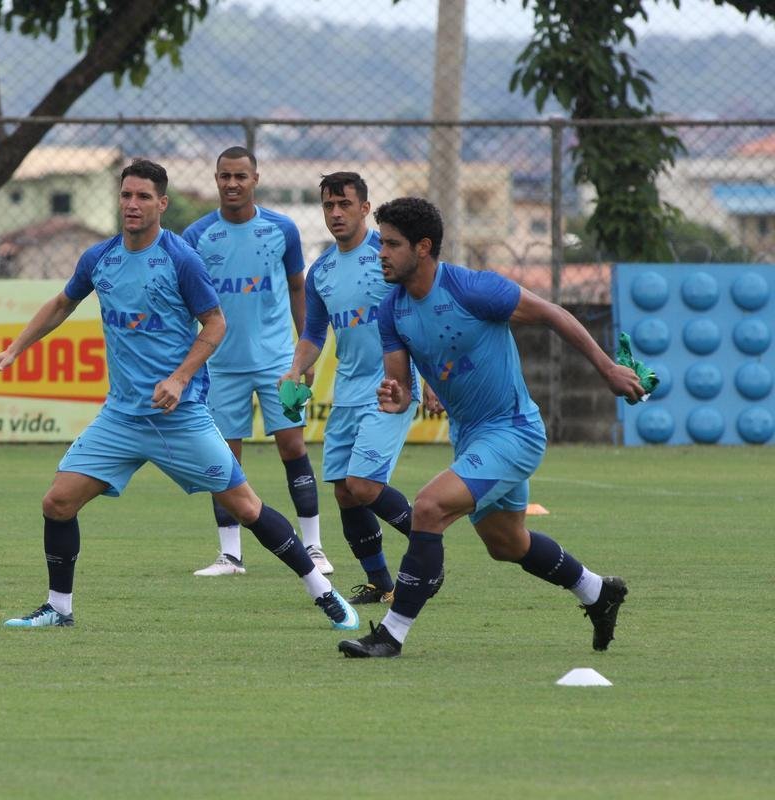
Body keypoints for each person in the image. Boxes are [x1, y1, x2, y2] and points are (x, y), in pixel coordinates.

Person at [0, 159, 359, 632]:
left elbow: (216, 323)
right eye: (126, 195)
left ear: (161, 203)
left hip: (180, 418)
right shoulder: (100, 258)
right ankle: (58, 607)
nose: (132, 204)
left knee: (246, 506)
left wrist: (179, 377)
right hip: (122, 418)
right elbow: (62, 303)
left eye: (143, 197)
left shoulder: (181, 258)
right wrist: (13, 350)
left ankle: (324, 593)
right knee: (57, 502)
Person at [338, 196, 642, 658]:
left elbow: (553, 314)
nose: (381, 253)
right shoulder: (391, 311)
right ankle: (598, 591)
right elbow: (399, 388)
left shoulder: (473, 289)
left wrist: (607, 370)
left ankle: (391, 635)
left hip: (513, 431)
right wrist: (397, 397)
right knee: (507, 544)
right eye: (381, 243)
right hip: (471, 438)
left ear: (423, 248)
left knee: (428, 507)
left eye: (392, 244)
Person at [181, 146, 327, 577]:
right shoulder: (197, 236)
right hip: (220, 365)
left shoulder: (282, 229)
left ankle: (315, 548)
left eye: (240, 176)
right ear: (216, 179)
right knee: (224, 457)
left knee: (294, 446)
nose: (232, 183)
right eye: (225, 176)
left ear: (255, 179)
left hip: (279, 362)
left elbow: (299, 289)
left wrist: (306, 349)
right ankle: (230, 555)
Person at [281, 172, 424, 608]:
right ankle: (380, 582)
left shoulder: (389, 256)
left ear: (365, 208)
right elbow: (314, 334)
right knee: (345, 490)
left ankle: (427, 542)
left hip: (390, 387)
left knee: (363, 484)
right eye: (328, 205)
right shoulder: (320, 270)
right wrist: (294, 370)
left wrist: (433, 379)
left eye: (344, 204)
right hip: (347, 391)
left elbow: (424, 315)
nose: (336, 213)